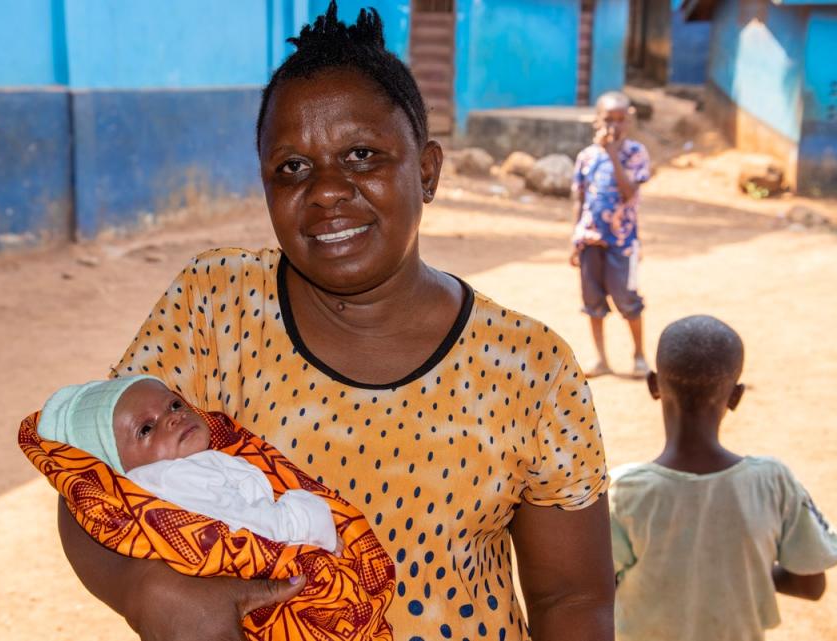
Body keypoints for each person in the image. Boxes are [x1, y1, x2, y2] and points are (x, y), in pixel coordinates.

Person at [57, 3, 615, 640]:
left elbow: (574, 599)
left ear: (427, 171)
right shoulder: (215, 304)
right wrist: (144, 590)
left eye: (361, 156)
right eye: (292, 167)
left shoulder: (530, 367)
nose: (325, 190)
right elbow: (85, 479)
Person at [609, 315, 837, 641]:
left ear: (653, 385)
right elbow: (811, 584)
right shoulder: (773, 482)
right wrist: (742, 569)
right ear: (735, 396)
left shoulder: (623, 492)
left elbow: (594, 586)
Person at [36, 375, 338, 552]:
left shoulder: (186, 467)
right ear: (118, 469)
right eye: (146, 429)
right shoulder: (170, 478)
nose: (173, 417)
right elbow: (264, 530)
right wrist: (315, 520)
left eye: (174, 404)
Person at [570, 91, 651, 379]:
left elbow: (629, 192)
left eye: (620, 120)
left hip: (622, 242)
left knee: (627, 299)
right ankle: (601, 359)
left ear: (628, 120)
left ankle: (639, 356)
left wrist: (614, 155)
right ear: (597, 120)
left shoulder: (635, 154)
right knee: (592, 302)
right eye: (608, 119)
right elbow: (579, 198)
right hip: (590, 239)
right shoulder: (587, 157)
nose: (614, 126)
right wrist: (575, 237)